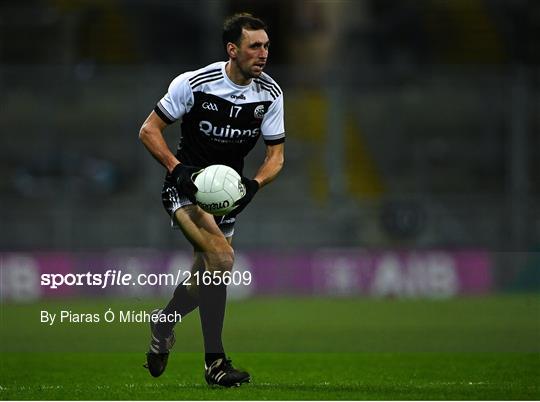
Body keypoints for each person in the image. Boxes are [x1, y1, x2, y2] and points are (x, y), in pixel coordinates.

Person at [138, 13, 285, 387]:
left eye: (266, 45)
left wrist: (253, 186)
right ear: (232, 50)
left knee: (205, 277)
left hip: (225, 197)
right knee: (221, 258)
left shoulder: (269, 94)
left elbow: (276, 157)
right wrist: (177, 169)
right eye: (255, 46)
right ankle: (215, 363)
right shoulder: (194, 83)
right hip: (185, 188)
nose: (263, 53)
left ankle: (165, 320)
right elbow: (149, 130)